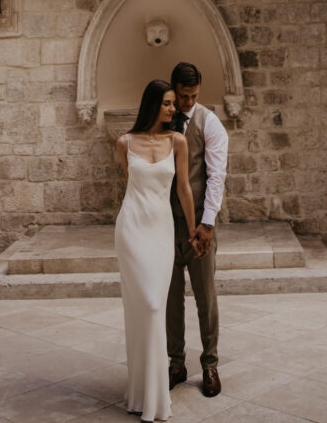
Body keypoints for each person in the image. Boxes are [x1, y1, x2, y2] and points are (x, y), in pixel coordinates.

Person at [115, 79, 198, 423]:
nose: (172, 108)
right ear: (152, 104)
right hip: (132, 230)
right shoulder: (124, 142)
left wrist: (195, 233)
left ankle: (152, 395)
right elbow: (132, 186)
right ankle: (141, 394)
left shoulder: (177, 141)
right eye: (166, 103)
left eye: (172, 104)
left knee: (153, 305)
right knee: (141, 310)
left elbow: (182, 189)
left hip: (162, 231)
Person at [167, 62, 229, 398]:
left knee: (205, 297)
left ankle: (210, 364)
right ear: (174, 90)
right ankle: (176, 363)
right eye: (183, 96)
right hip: (165, 226)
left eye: (193, 96)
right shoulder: (164, 119)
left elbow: (216, 176)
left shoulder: (210, 123)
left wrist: (207, 224)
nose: (188, 102)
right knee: (170, 299)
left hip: (199, 227)